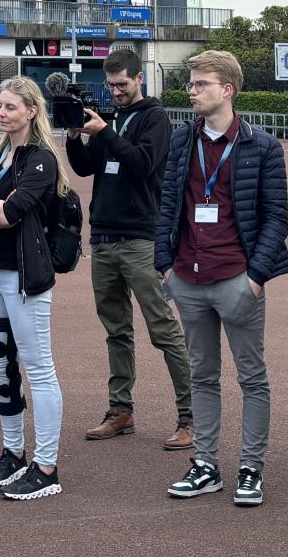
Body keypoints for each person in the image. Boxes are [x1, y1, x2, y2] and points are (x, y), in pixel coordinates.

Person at [154, 49, 288, 508]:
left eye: (200, 84)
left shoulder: (263, 146)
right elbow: (168, 206)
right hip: (188, 277)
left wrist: (254, 278)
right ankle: (206, 465)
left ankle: (251, 468)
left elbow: (276, 219)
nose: (192, 91)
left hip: (237, 277)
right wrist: (166, 267)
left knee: (252, 378)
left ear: (227, 90)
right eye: (191, 84)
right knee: (202, 376)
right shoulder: (180, 141)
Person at [64, 48, 194, 449]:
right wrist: (74, 134)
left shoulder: (156, 119)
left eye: (122, 84)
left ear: (139, 78)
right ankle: (120, 410)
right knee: (115, 330)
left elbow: (142, 164)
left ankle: (192, 415)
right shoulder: (113, 119)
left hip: (141, 238)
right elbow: (86, 168)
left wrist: (104, 132)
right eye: (111, 85)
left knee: (163, 329)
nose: (117, 91)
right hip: (103, 237)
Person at [0, 76, 68, 500]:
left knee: (37, 366)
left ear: (31, 111)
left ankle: (46, 466)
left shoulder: (40, 159)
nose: (1, 113)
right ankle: (12, 451)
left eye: (10, 107)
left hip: (24, 277)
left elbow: (14, 212)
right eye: (0, 106)